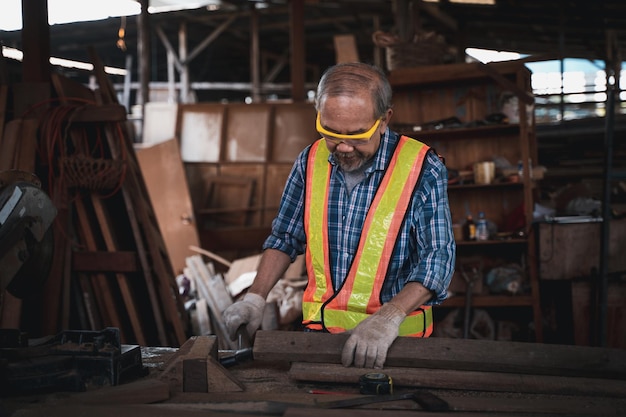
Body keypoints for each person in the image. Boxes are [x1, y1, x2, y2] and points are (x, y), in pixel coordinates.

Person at [222, 62, 456, 369]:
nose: (344, 147)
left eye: (358, 135)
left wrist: (388, 318)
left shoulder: (422, 168)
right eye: (331, 133)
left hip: (396, 345)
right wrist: (255, 297)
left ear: (384, 119)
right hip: (319, 341)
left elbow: (438, 259)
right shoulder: (309, 161)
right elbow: (284, 238)